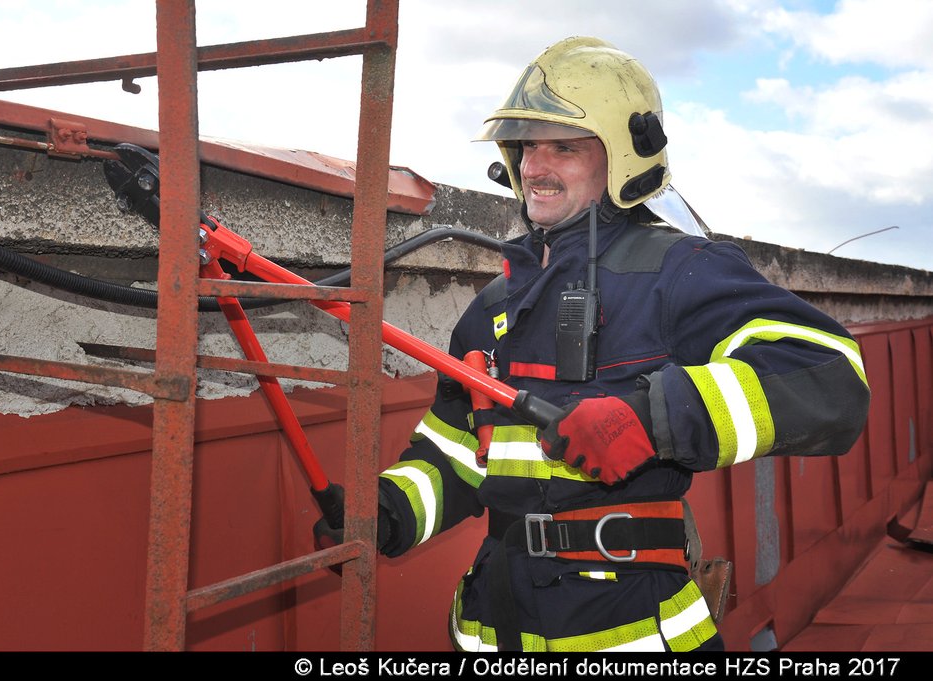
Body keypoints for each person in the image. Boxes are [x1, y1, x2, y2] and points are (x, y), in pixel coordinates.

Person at [315, 36, 870, 652]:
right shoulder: (493, 308)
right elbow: (458, 452)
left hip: (634, 635)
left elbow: (830, 378)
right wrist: (388, 511)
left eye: (564, 147)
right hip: (490, 630)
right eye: (525, 146)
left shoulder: (681, 271)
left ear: (625, 158)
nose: (534, 166)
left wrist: (652, 417)